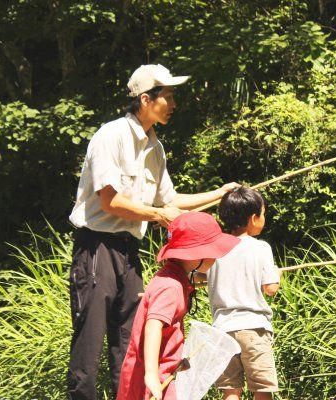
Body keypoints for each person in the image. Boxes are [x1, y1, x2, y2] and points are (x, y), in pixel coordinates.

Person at [67, 64, 238, 400]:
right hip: (97, 246)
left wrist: (219, 194)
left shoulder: (155, 148)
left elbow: (171, 200)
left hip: (130, 250)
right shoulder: (111, 136)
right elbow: (111, 201)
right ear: (146, 100)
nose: (173, 104)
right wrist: (160, 215)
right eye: (168, 97)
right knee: (90, 338)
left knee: (129, 340)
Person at [117, 211, 240, 400]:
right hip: (153, 379)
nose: (216, 257)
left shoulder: (173, 278)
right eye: (212, 251)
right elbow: (153, 326)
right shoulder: (170, 286)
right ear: (195, 254)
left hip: (166, 371)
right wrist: (151, 375)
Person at [207, 187, 281, 400]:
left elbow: (202, 276)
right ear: (253, 217)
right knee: (262, 388)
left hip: (222, 329)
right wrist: (277, 274)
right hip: (254, 329)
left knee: (231, 390)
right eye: (263, 214)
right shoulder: (261, 248)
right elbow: (271, 289)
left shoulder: (214, 249)